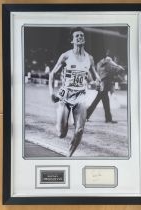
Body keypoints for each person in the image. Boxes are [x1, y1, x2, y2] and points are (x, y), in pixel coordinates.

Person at [49, 27, 100, 157]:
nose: (79, 37)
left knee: (80, 130)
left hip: (81, 97)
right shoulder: (66, 56)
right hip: (65, 96)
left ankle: (69, 156)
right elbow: (52, 74)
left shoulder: (90, 58)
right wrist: (51, 93)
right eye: (76, 36)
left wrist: (96, 83)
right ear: (72, 40)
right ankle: (60, 118)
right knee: (61, 134)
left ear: (85, 39)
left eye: (82, 35)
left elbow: (95, 77)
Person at [87, 53, 125, 123]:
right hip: (104, 85)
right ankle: (108, 119)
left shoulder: (99, 64)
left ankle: (107, 118)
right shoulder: (106, 64)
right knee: (102, 102)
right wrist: (119, 67)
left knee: (100, 102)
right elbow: (114, 70)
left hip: (103, 85)